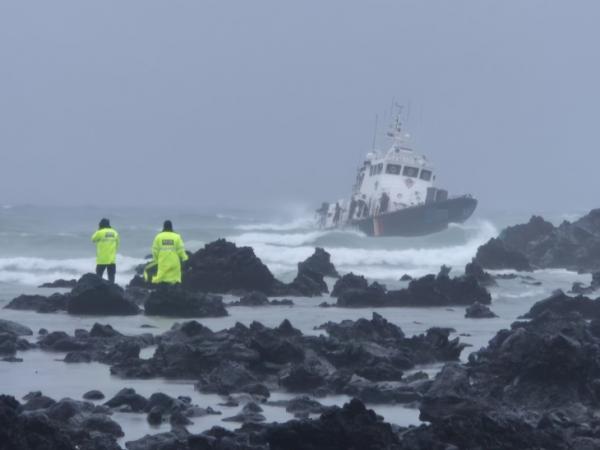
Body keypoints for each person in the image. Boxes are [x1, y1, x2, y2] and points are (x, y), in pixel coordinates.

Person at [91, 218, 120, 283]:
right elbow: (117, 245)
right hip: (112, 260)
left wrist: (98, 230)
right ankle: (112, 290)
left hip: (102, 259)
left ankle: (99, 291)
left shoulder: (100, 232)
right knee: (111, 277)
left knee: (99, 277)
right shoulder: (114, 232)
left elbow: (93, 239)